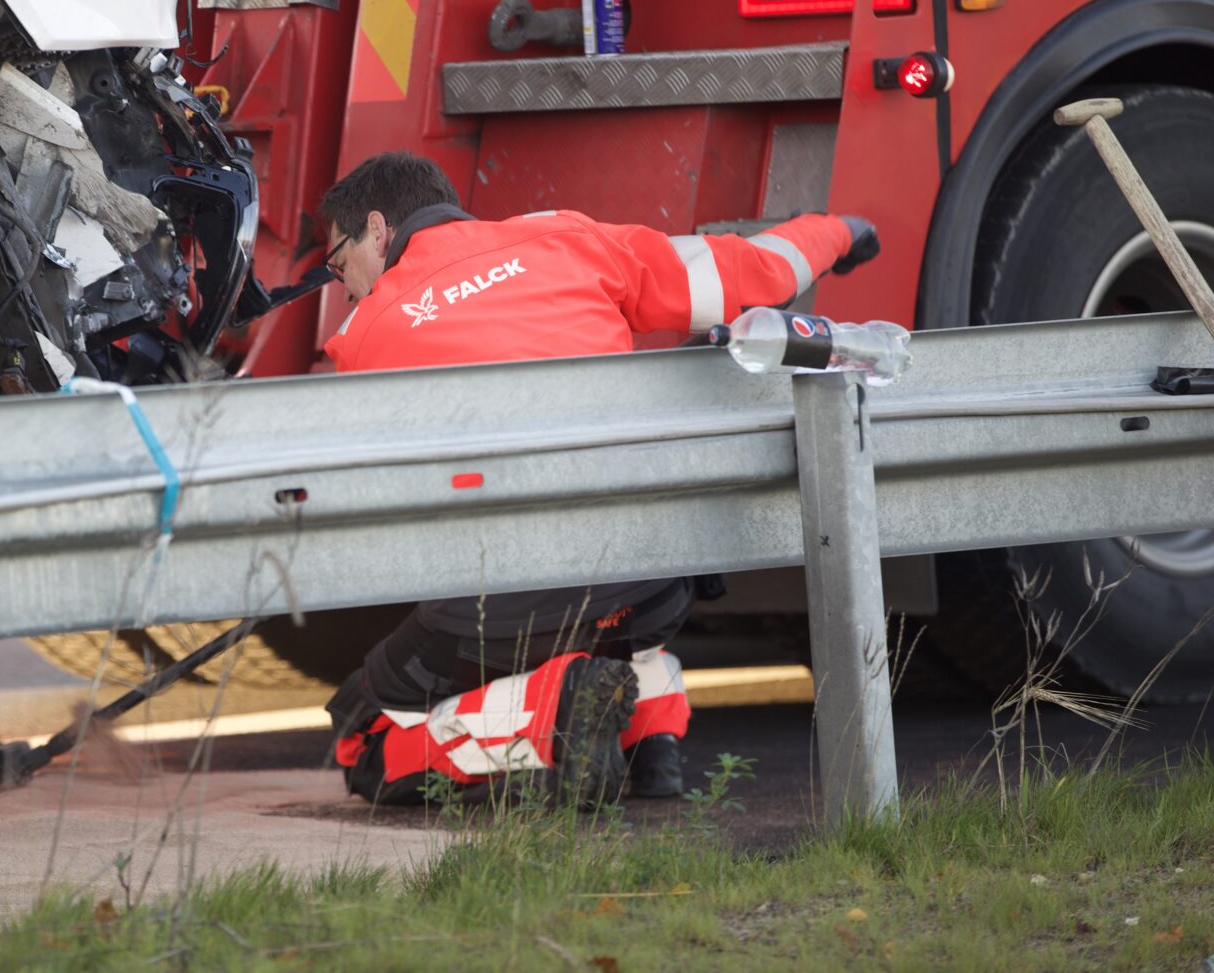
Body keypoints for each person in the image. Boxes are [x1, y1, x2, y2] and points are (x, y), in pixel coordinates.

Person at [317, 151, 879, 807]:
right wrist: (839, 230)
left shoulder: (365, 330)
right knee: (584, 609)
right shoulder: (565, 236)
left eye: (338, 264)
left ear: (379, 231)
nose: (343, 287)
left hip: (507, 601)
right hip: (657, 576)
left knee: (365, 727)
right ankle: (650, 724)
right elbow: (755, 270)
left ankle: (555, 714)